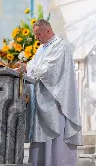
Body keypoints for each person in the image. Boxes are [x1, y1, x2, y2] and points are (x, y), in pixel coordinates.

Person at [17, 20, 82, 166]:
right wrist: (23, 69)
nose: (36, 38)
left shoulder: (61, 47)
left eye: (38, 34)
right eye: (35, 35)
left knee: (54, 135)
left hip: (54, 101)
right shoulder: (42, 48)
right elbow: (34, 66)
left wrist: (30, 69)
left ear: (48, 31)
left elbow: (49, 71)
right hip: (41, 99)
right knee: (42, 136)